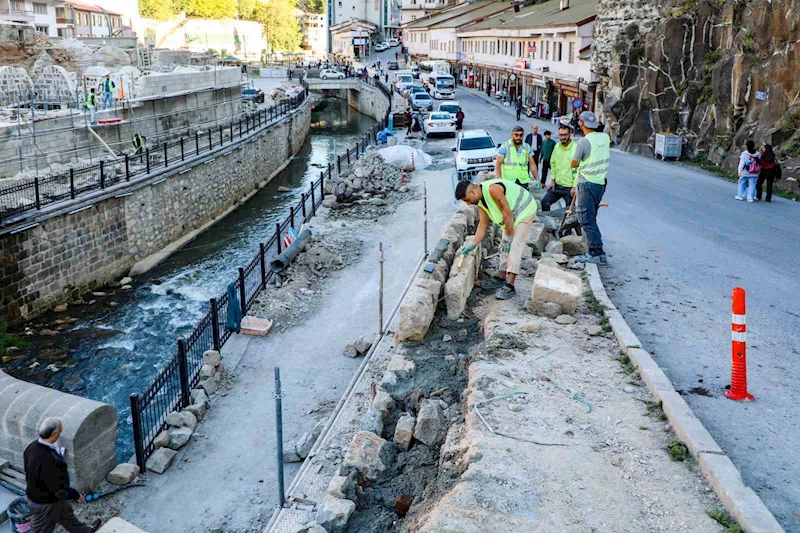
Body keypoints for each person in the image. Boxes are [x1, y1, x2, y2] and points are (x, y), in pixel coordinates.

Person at [455, 179, 538, 300]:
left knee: (515, 245)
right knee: (504, 246)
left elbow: (507, 213)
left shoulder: (493, 189)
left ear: (473, 192)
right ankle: (501, 277)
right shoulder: (480, 202)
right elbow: (483, 224)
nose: (468, 204)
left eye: (467, 199)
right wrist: (473, 243)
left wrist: (509, 237)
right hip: (511, 217)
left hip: (524, 210)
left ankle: (510, 285)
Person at [24, 418, 102, 533]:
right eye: (60, 431)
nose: (61, 433)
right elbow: (58, 488)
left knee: (66, 516)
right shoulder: (48, 460)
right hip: (45, 503)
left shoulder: (31, 447)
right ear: (54, 434)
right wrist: (76, 495)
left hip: (51, 498)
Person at [571, 110, 610, 264]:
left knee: (586, 219)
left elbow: (574, 163)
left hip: (586, 183)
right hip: (600, 183)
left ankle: (594, 252)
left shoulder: (583, 142)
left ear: (581, 123)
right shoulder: (605, 138)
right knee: (592, 218)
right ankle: (599, 253)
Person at [541, 125, 576, 211]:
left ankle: (566, 224)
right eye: (561, 135)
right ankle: (548, 223)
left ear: (570, 134)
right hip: (557, 185)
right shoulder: (557, 146)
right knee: (544, 202)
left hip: (569, 187)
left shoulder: (576, 148)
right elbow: (553, 163)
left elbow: (579, 169)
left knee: (569, 212)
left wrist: (575, 186)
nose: (563, 137)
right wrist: (552, 180)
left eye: (565, 134)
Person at [496, 125, 539, 190]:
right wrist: (499, 180)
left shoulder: (527, 147)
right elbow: (498, 164)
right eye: (516, 135)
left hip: (523, 181)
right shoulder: (505, 146)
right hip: (509, 182)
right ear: (512, 134)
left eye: (521, 135)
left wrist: (537, 179)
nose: (518, 137)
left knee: (524, 199)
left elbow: (532, 164)